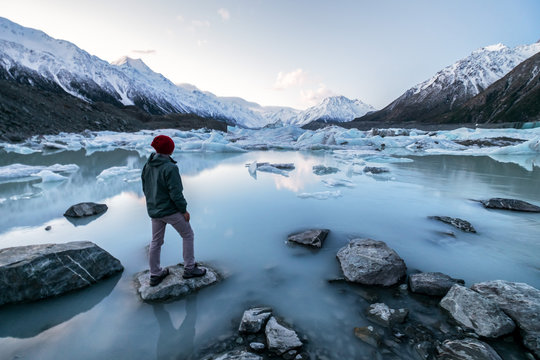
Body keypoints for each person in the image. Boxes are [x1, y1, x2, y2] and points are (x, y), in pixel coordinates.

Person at [141, 135, 206, 286]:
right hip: (170, 210)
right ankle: (189, 269)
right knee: (188, 235)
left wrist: (152, 204)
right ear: (170, 149)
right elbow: (176, 193)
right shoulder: (170, 168)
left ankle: (155, 274)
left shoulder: (148, 165)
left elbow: (146, 188)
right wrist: (183, 210)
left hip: (155, 210)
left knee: (156, 241)